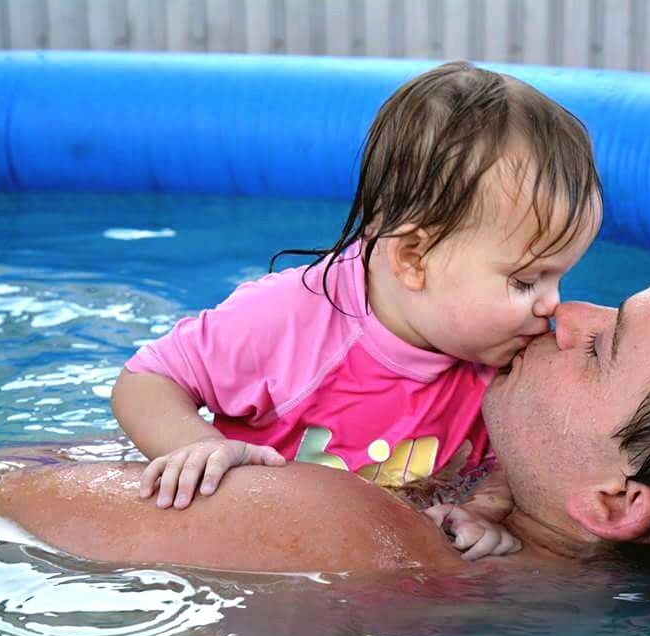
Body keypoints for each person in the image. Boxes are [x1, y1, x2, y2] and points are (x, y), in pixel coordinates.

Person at [0, 257, 650, 571]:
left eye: (602, 346)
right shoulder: (500, 535)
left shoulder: (346, 528)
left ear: (618, 501)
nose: (563, 312)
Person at [110, 61, 601, 559]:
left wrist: (481, 512)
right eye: (525, 280)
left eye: (560, 275)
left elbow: (513, 461)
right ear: (414, 259)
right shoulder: (289, 321)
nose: (553, 304)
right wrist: (195, 445)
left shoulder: (502, 360)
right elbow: (147, 379)